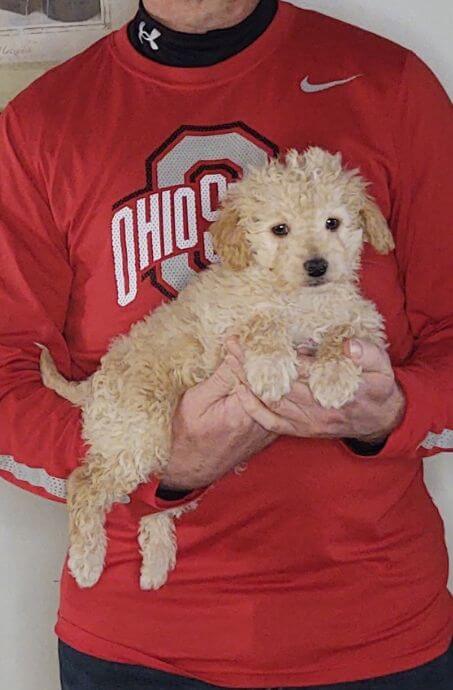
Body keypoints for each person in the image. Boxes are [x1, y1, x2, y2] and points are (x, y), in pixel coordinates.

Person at [0, 1, 452, 688]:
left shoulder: (389, 84)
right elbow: (7, 377)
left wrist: (391, 414)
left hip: (376, 631)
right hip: (138, 642)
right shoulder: (38, 125)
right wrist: (160, 460)